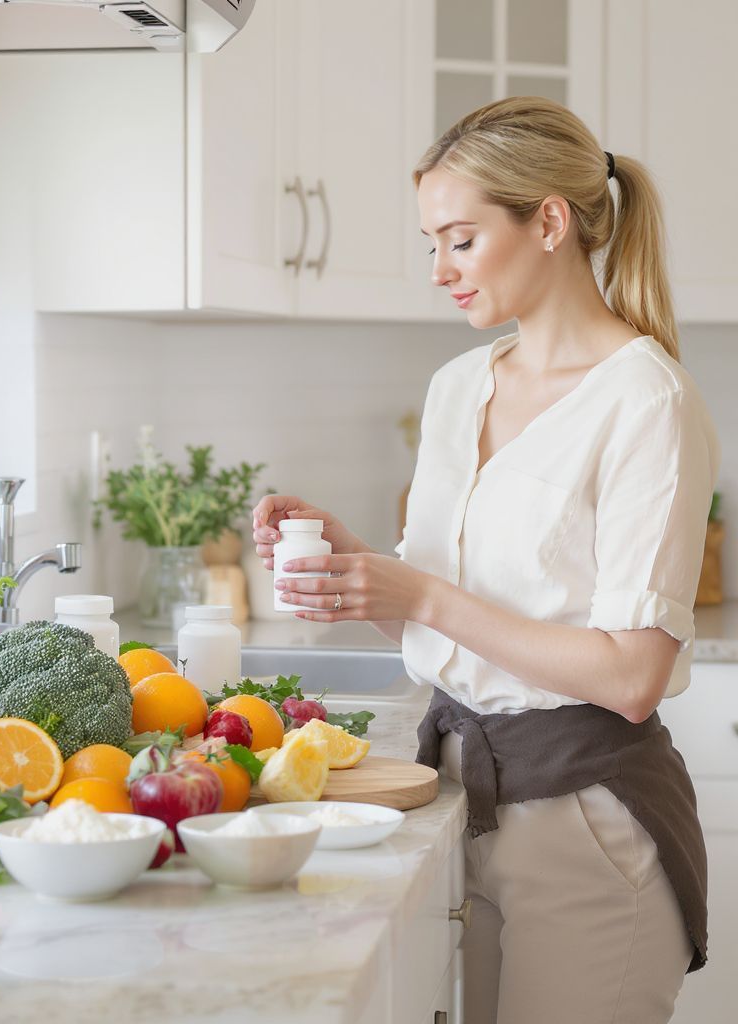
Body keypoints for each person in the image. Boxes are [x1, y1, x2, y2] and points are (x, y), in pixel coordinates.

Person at [250, 96, 719, 1024]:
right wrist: (355, 567)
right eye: (431, 243)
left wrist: (419, 588)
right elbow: (453, 625)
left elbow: (632, 675)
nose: (438, 270)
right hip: (458, 799)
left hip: (588, 824)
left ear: (548, 221)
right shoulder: (459, 388)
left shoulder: (646, 402)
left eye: (459, 240)